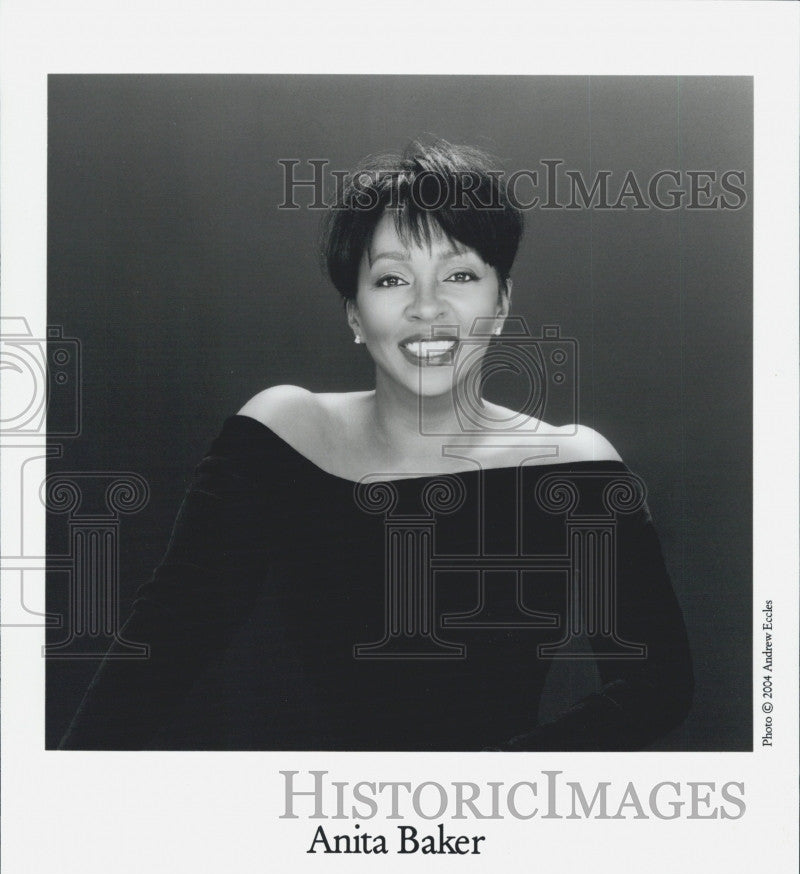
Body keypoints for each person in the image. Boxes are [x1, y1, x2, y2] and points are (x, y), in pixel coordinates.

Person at [59, 137, 692, 751]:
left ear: (501, 305)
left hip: (488, 831)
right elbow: (158, 653)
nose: (427, 307)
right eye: (392, 280)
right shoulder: (286, 431)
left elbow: (655, 686)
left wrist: (477, 798)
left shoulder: (574, 462)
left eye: (460, 274)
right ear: (355, 316)